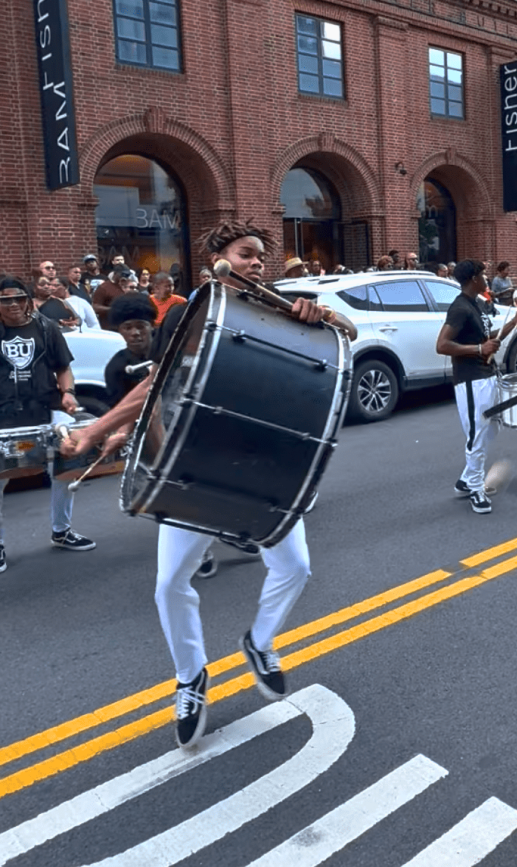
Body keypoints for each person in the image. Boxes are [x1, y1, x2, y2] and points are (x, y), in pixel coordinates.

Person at [62, 220, 356, 749]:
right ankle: (190, 678)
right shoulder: (191, 313)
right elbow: (158, 383)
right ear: (218, 259)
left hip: (263, 461)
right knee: (170, 583)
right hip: (196, 457)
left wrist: (325, 317)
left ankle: (259, 642)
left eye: (261, 256)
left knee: (295, 566)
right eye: (246, 254)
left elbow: (345, 337)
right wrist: (99, 429)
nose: (256, 263)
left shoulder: (279, 305)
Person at [0, 278, 96, 573]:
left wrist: (68, 393)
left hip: (47, 408)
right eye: (5, 300)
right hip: (4, 415)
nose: (13, 304)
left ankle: (61, 531)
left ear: (28, 299)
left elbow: (63, 367)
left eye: (19, 298)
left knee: (67, 465)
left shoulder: (46, 327)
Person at [435, 259, 517, 514]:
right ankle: (476, 488)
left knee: (490, 428)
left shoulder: (477, 304)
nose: (486, 278)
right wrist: (478, 349)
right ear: (474, 278)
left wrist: (515, 321)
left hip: (486, 375)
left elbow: (487, 340)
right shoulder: (460, 308)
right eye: (483, 275)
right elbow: (441, 345)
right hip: (470, 380)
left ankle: (467, 478)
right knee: (477, 433)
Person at [104, 293, 156, 406]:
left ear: (152, 325)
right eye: (127, 328)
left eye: (140, 326)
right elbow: (119, 407)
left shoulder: (169, 351)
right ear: (119, 330)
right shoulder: (116, 368)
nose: (135, 333)